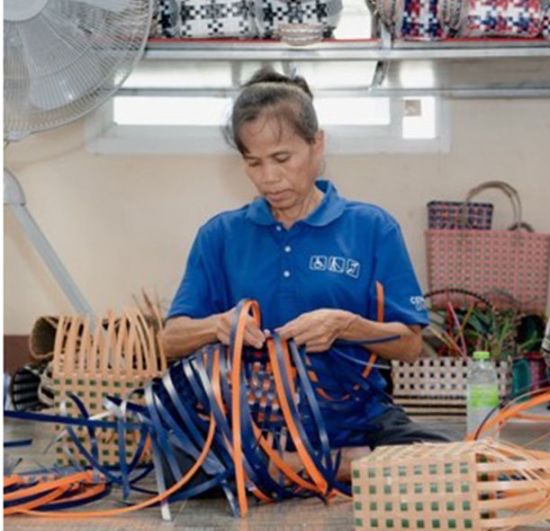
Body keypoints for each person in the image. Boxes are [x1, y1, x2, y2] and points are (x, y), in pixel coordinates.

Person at [161, 67, 448, 477]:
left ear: (317, 145)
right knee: (168, 456)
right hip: (256, 422)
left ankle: (273, 471)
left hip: (354, 416)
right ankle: (343, 467)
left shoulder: (371, 228)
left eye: (282, 159)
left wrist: (345, 324)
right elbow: (171, 339)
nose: (269, 178)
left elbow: (409, 346)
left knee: (435, 458)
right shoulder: (221, 235)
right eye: (254, 163)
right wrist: (219, 326)